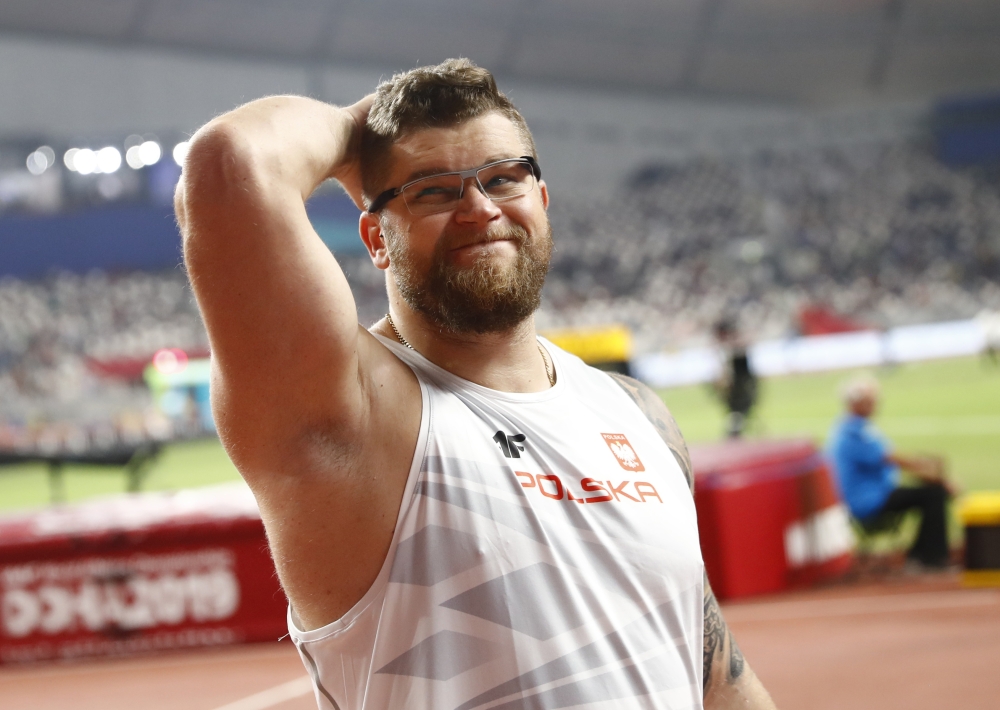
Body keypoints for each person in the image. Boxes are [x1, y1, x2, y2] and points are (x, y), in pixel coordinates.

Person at [175, 58, 776, 710]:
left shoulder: (638, 415)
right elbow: (231, 166)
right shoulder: (352, 412)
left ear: (541, 201)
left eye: (504, 178)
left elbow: (715, 675)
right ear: (376, 236)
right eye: (433, 190)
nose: (479, 208)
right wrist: (361, 129)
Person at [827, 375, 955, 569]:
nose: (874, 405)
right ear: (855, 403)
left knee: (929, 493)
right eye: (869, 401)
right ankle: (929, 558)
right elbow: (894, 460)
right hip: (868, 501)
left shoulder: (848, 429)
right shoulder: (855, 433)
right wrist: (937, 477)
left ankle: (921, 554)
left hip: (869, 497)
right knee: (934, 494)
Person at [712, 317, 758, 438]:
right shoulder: (730, 347)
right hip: (739, 386)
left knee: (739, 411)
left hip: (739, 385)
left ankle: (734, 434)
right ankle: (734, 434)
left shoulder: (730, 347)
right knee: (738, 410)